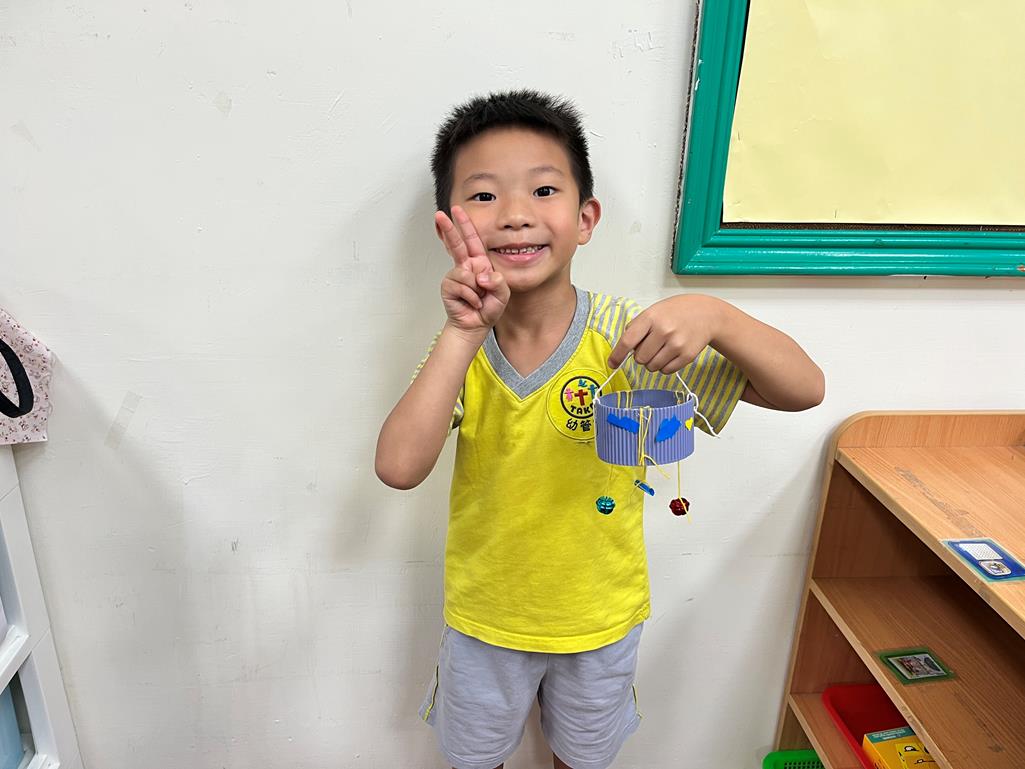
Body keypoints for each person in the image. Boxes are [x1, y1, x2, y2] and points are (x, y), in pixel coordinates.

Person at [375, 90, 824, 769]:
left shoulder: (629, 336)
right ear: (450, 230)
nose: (516, 214)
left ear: (585, 218)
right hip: (485, 623)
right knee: (474, 759)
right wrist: (462, 331)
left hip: (600, 622)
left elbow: (803, 389)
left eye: (543, 189)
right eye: (485, 196)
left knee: (582, 759)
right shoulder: (461, 349)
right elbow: (398, 466)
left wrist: (717, 316)